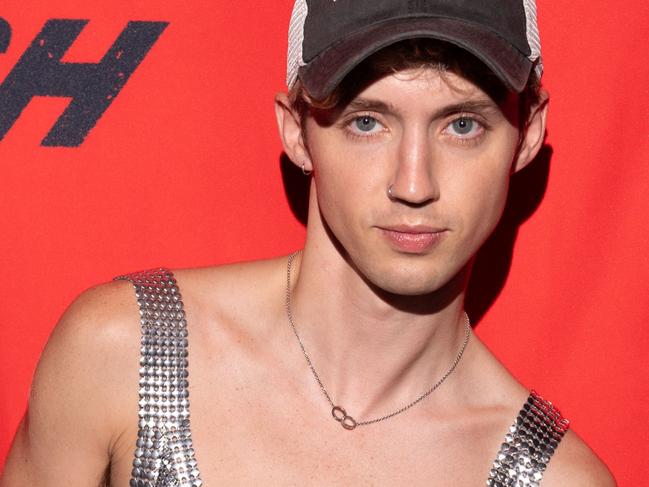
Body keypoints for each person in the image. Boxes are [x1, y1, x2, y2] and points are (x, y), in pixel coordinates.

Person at [1, 1, 616, 485]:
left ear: (529, 132)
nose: (413, 183)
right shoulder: (123, 354)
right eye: (367, 122)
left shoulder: (554, 479)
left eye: (462, 125)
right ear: (296, 130)